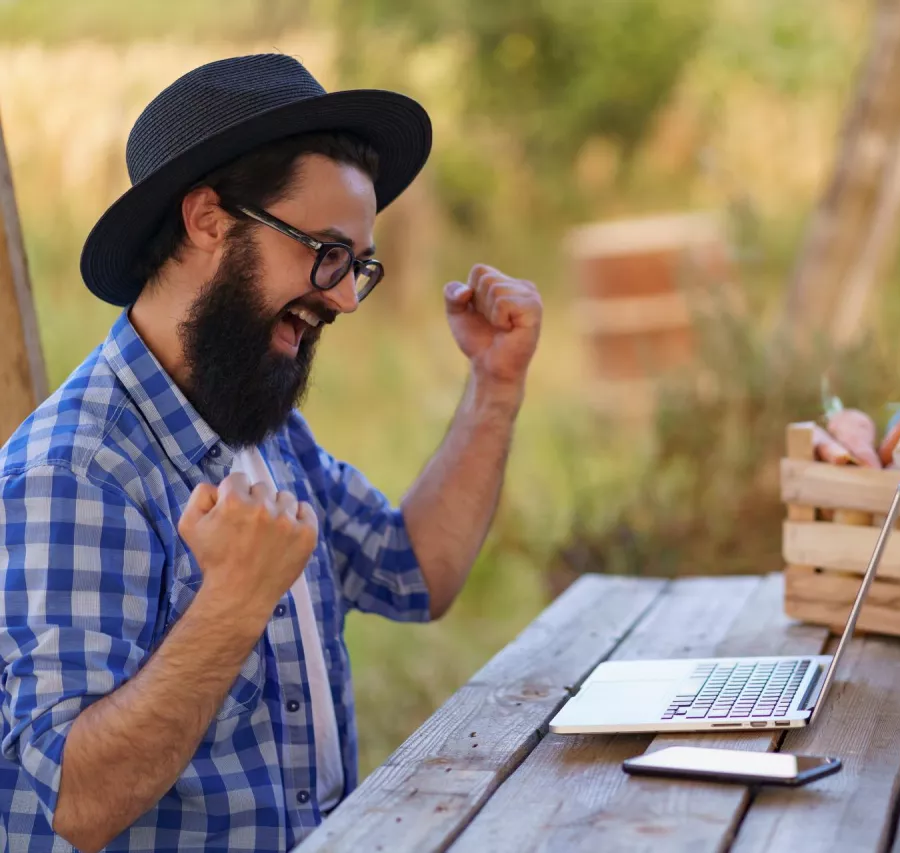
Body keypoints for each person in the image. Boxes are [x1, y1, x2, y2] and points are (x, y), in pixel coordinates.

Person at [0, 53, 542, 852]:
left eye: (359, 264)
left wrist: (495, 388)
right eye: (326, 251)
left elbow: (415, 570)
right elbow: (71, 802)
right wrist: (231, 603)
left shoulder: (260, 418)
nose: (346, 295)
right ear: (208, 220)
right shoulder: (74, 470)